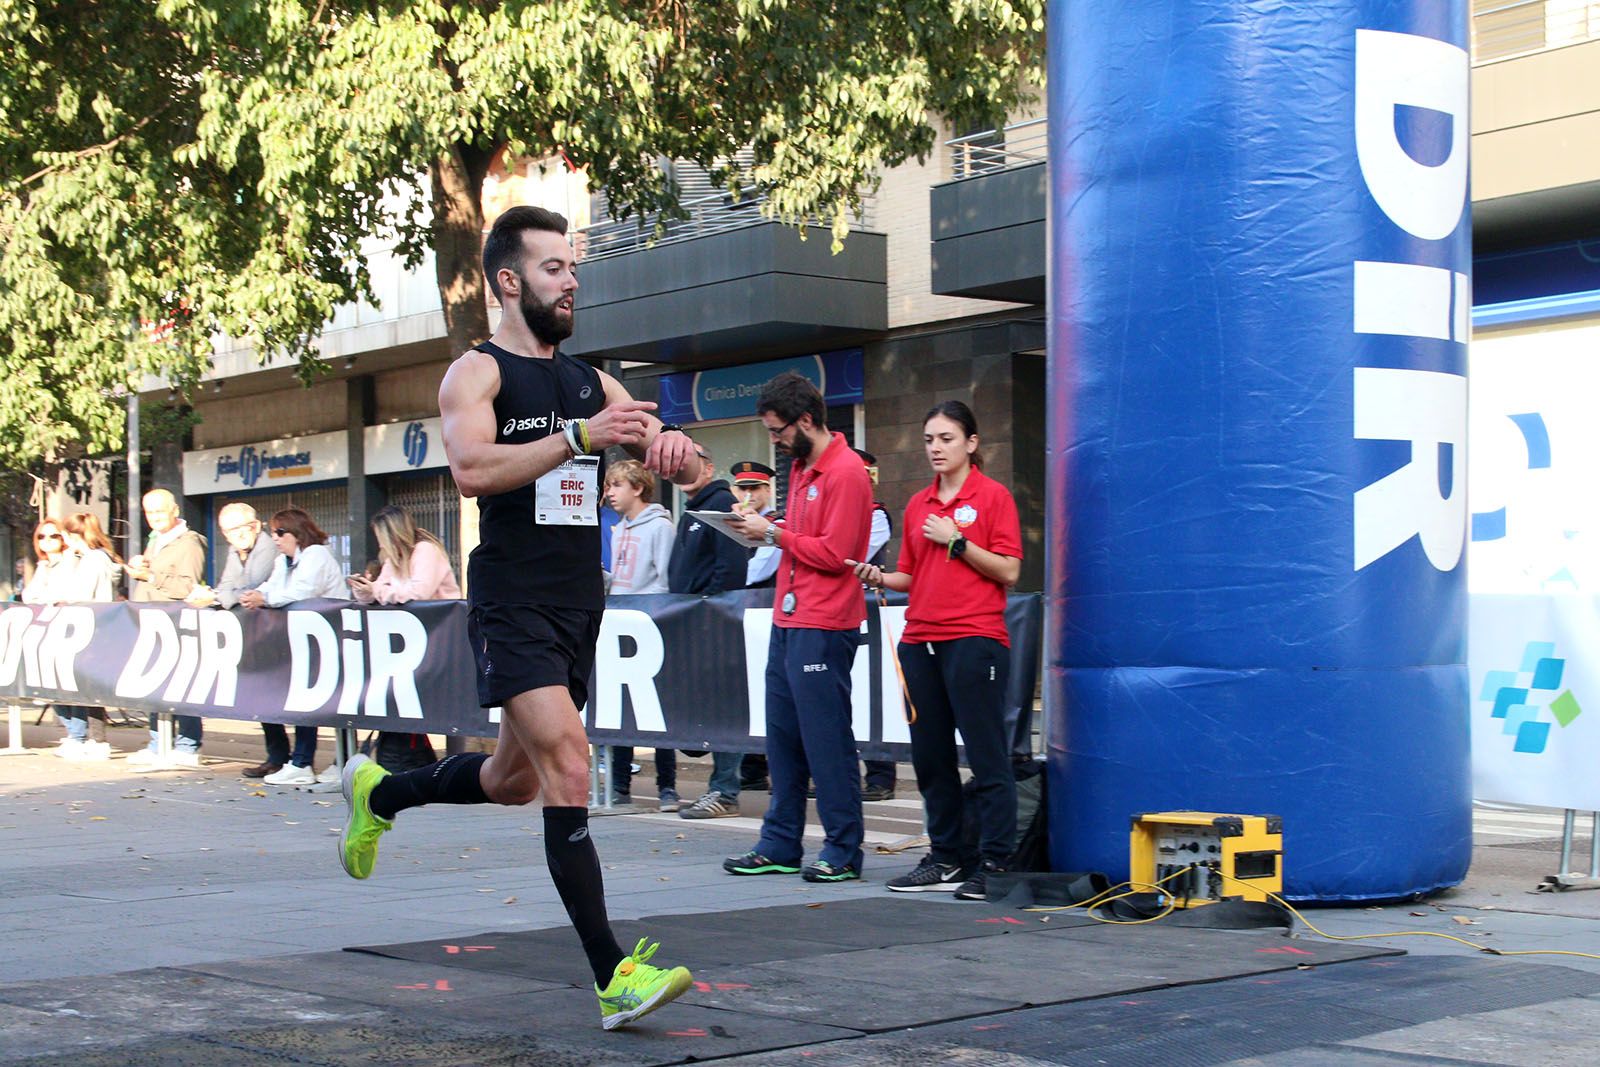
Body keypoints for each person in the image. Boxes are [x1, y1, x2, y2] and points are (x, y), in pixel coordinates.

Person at [336, 205, 696, 1030]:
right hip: (511, 600)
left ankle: (382, 792)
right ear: (509, 281)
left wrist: (679, 452)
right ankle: (613, 976)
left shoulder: (592, 381)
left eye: (572, 268)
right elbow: (470, 469)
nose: (570, 281)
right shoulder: (476, 374)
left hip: (578, 604)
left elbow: (670, 447)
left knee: (513, 781)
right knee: (570, 763)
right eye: (553, 268)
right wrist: (578, 437)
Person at [850, 401, 1023, 901]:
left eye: (946, 438)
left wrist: (958, 541)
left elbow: (1010, 570)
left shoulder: (992, 498)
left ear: (971, 443)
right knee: (930, 757)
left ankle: (996, 860)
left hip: (974, 639)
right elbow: (910, 575)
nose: (935, 448)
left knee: (987, 756)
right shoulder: (920, 504)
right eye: (929, 440)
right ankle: (946, 856)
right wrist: (877, 576)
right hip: (919, 639)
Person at [721, 371, 873, 882]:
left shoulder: (847, 472)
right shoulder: (807, 469)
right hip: (791, 615)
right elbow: (808, 540)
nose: (776, 441)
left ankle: (843, 848)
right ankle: (781, 842)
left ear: (806, 420)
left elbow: (837, 554)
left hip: (824, 620)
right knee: (784, 738)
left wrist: (773, 534)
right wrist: (767, 531)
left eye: (779, 430)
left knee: (826, 738)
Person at [670, 445, 755, 821]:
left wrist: (715, 610)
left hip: (714, 623)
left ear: (707, 467)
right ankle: (722, 788)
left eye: (688, 460)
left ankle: (725, 790)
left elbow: (731, 565)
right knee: (706, 708)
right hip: (694, 623)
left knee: (723, 707)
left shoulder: (720, 504)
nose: (679, 467)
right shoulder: (694, 508)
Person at [239, 506, 347, 785]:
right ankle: (301, 761)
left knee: (312, 700)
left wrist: (267, 599)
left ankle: (307, 761)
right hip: (302, 641)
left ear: (297, 532)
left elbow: (303, 591)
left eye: (280, 532)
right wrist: (256, 595)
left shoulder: (316, 555)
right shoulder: (283, 561)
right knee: (299, 698)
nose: (275, 538)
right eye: (273, 532)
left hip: (328, 638)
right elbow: (272, 586)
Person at [348, 504, 460, 773]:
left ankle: (448, 764)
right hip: (411, 640)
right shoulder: (393, 559)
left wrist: (380, 589)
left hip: (440, 637)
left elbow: (419, 592)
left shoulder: (425, 551)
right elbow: (383, 590)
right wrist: (366, 591)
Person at [601, 460, 678, 811]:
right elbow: (620, 575)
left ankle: (667, 787)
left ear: (637, 487)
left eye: (617, 485)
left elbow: (665, 577)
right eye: (609, 486)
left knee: (654, 709)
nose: (610, 493)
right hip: (620, 620)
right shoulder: (618, 529)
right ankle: (620, 785)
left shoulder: (660, 526)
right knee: (621, 710)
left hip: (650, 621)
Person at [188, 502, 284, 777]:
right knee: (263, 697)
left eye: (241, 528)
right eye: (229, 530)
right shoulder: (234, 551)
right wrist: (218, 595)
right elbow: (227, 585)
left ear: (255, 525)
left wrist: (217, 598)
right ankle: (276, 756)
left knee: (283, 696)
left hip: (275, 630)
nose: (236, 535)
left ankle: (296, 759)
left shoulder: (268, 547)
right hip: (253, 633)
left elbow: (253, 586)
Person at [126, 488, 208, 769]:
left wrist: (149, 575)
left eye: (160, 511)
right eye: (149, 512)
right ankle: (156, 742)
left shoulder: (189, 542)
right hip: (151, 624)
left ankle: (188, 744)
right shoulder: (158, 540)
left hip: (176, 625)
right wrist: (145, 564)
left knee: (181, 685)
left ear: (175, 510)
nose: (155, 517)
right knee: (153, 682)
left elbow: (188, 585)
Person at [54, 513, 124, 759]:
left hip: (92, 626)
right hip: (92, 625)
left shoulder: (93, 560)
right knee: (83, 685)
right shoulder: (92, 558)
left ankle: (97, 739)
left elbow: (82, 593)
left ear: (74, 535)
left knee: (90, 687)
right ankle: (85, 737)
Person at [854, 447, 898, 803]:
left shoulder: (876, 515)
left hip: (870, 605)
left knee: (873, 691)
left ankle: (881, 775)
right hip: (844, 608)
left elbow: (854, 554)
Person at [23, 519, 85, 757]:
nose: (47, 541)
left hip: (71, 629)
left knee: (71, 685)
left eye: (53, 536)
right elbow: (30, 596)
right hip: (48, 632)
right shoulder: (44, 565)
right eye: (42, 537)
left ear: (64, 539)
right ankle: (71, 731)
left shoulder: (72, 561)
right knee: (51, 684)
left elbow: (67, 593)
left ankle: (78, 735)